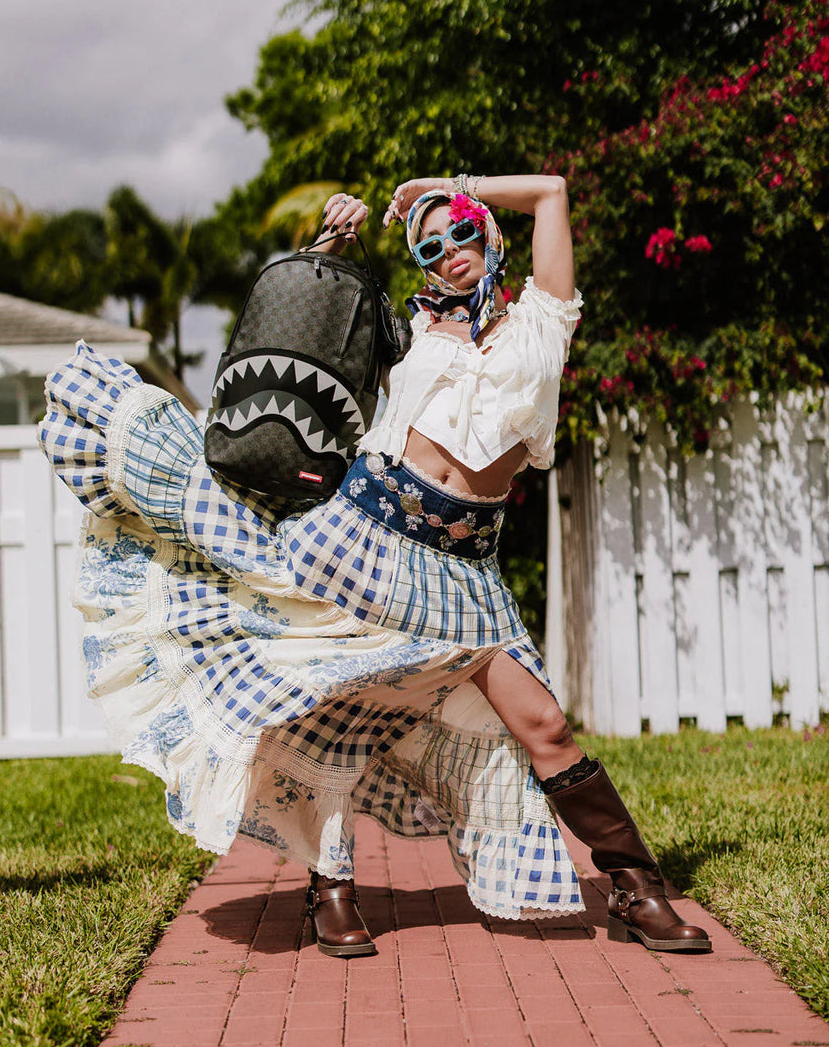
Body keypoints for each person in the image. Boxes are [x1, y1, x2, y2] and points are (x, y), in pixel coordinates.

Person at [39, 172, 710, 960]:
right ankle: (331, 891)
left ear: (486, 233)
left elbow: (554, 192)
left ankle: (636, 890)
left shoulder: (540, 321)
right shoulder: (409, 333)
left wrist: (444, 186)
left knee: (544, 725)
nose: (448, 252)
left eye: (461, 231)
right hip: (364, 540)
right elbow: (307, 325)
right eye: (428, 244)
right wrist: (333, 243)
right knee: (334, 717)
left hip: (466, 568)